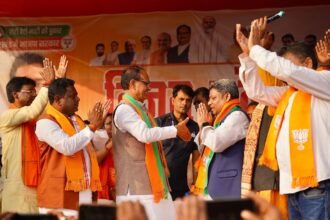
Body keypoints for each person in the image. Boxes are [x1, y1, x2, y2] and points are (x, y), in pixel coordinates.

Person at [237, 17, 330, 219]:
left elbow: (286, 70)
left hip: (318, 186)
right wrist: (247, 55)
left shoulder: (325, 82)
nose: (283, 75)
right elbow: (256, 91)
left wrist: (255, 47)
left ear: (307, 63)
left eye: (288, 65)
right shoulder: (289, 94)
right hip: (291, 187)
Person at [112, 65, 191, 220]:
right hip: (137, 186)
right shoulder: (124, 110)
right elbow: (145, 135)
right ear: (133, 84)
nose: (149, 87)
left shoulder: (141, 111)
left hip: (154, 184)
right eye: (146, 83)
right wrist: (175, 130)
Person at [35, 78, 107, 217]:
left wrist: (96, 127)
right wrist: (91, 127)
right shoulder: (45, 122)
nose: (78, 99)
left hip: (84, 191)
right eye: (73, 96)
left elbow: (87, 147)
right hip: (59, 193)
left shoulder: (76, 120)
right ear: (58, 100)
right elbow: (67, 147)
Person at [0, 59, 60, 213]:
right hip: (16, 182)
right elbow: (32, 111)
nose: (34, 94)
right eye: (30, 91)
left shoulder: (35, 116)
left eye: (35, 90)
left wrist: (57, 84)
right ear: (15, 94)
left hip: (34, 180)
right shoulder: (7, 117)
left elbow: (53, 108)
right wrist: (47, 85)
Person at [192, 79, 249, 199]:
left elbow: (216, 143)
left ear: (227, 96)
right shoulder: (219, 119)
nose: (209, 103)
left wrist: (204, 125)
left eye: (213, 98)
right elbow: (202, 145)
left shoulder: (237, 116)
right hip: (215, 184)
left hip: (228, 184)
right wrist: (203, 126)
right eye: (209, 99)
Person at [156, 84, 199, 200]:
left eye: (188, 100)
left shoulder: (194, 127)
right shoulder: (159, 122)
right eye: (181, 99)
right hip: (159, 185)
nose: (184, 103)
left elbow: (196, 160)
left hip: (181, 188)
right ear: (173, 100)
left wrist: (196, 187)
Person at [93, 113, 116, 201]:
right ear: (104, 127)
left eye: (114, 122)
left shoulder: (127, 141)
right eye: (108, 123)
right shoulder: (100, 140)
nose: (111, 126)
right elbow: (95, 160)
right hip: (103, 190)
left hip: (121, 189)